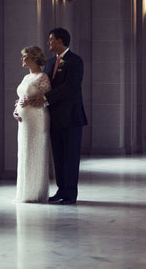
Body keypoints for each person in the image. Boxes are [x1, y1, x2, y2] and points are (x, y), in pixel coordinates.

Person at [24, 28, 87, 205]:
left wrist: (45, 98)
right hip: (53, 117)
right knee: (58, 156)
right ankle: (61, 189)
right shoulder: (51, 63)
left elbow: (71, 87)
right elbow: (45, 86)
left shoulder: (75, 61)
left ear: (60, 41)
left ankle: (70, 194)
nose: (49, 42)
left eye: (51, 39)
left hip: (71, 117)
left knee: (71, 156)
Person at [12, 46, 51, 203]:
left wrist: (34, 101)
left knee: (34, 152)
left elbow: (47, 99)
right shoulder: (26, 77)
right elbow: (21, 98)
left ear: (34, 58)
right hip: (24, 122)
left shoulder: (42, 77)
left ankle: (34, 192)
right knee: (24, 153)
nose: (22, 59)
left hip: (37, 119)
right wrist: (16, 110)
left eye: (25, 56)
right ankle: (24, 191)